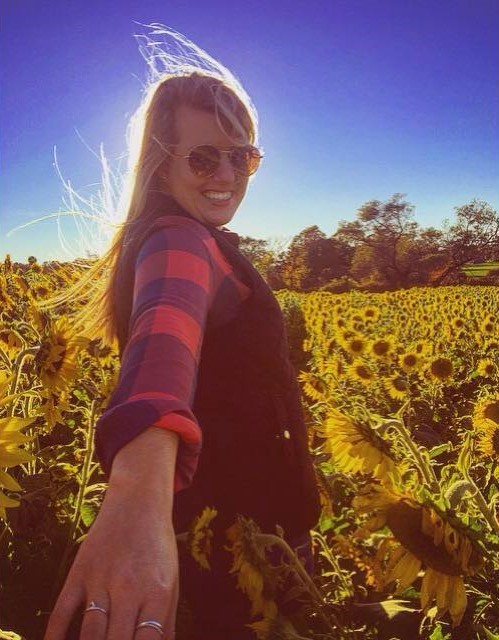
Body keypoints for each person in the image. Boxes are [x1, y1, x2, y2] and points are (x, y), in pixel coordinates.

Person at [43, 26, 321, 640]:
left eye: (242, 155)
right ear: (160, 163)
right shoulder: (178, 240)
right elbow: (161, 348)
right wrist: (135, 499)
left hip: (228, 527)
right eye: (203, 156)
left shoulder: (176, 238)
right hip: (237, 546)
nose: (227, 172)